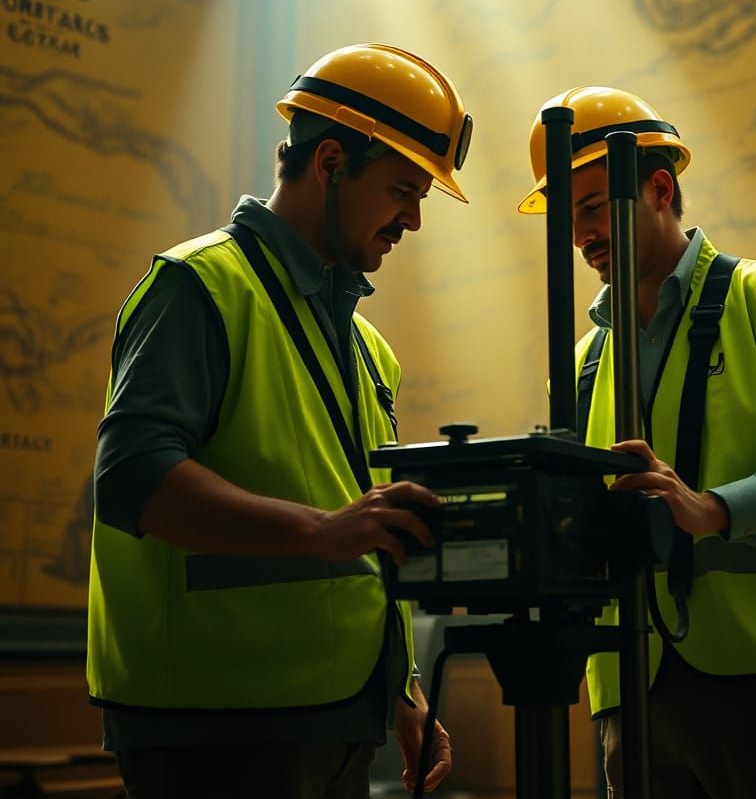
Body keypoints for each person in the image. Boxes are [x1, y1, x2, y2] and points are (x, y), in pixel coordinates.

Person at [88, 43, 475, 798]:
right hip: (215, 722)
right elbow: (132, 477)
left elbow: (368, 525)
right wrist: (319, 530)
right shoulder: (197, 287)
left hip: (331, 714)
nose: (415, 220)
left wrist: (397, 685)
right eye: (403, 189)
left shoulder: (367, 349)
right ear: (330, 162)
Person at [518, 86, 756, 799]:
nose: (581, 234)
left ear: (660, 188)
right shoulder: (583, 362)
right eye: (567, 216)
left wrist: (716, 507)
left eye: (592, 206)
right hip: (631, 682)